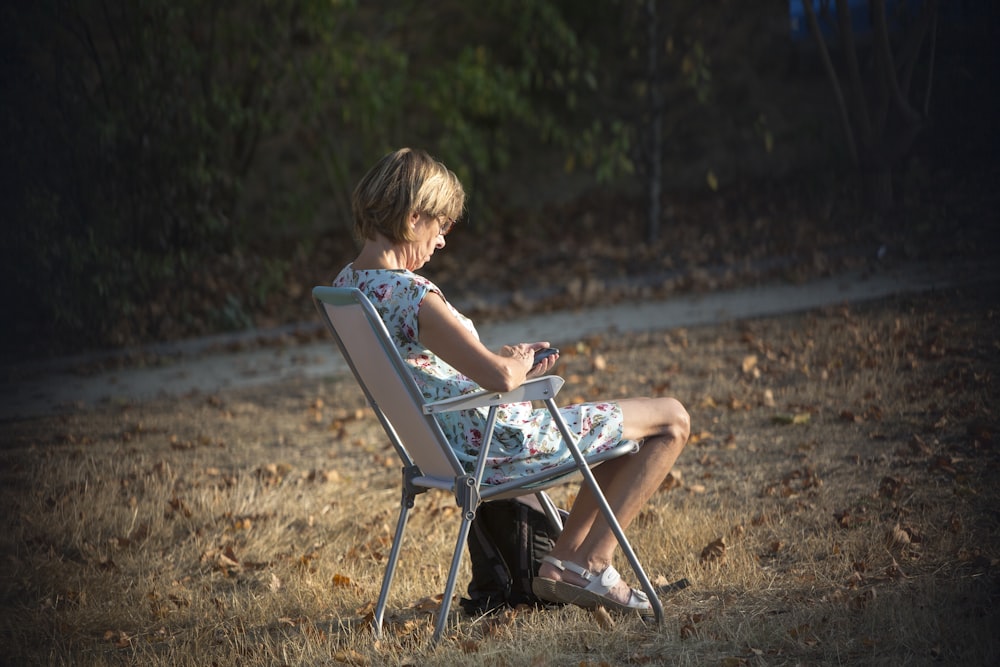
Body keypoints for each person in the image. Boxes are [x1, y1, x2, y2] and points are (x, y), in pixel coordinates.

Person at [333, 148, 690, 616]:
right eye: (440, 225)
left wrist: (495, 362)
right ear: (414, 216)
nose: (441, 241)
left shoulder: (346, 287)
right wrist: (515, 365)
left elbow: (422, 371)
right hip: (495, 446)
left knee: (624, 429)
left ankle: (568, 559)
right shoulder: (413, 295)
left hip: (440, 448)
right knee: (671, 419)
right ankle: (587, 562)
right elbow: (501, 379)